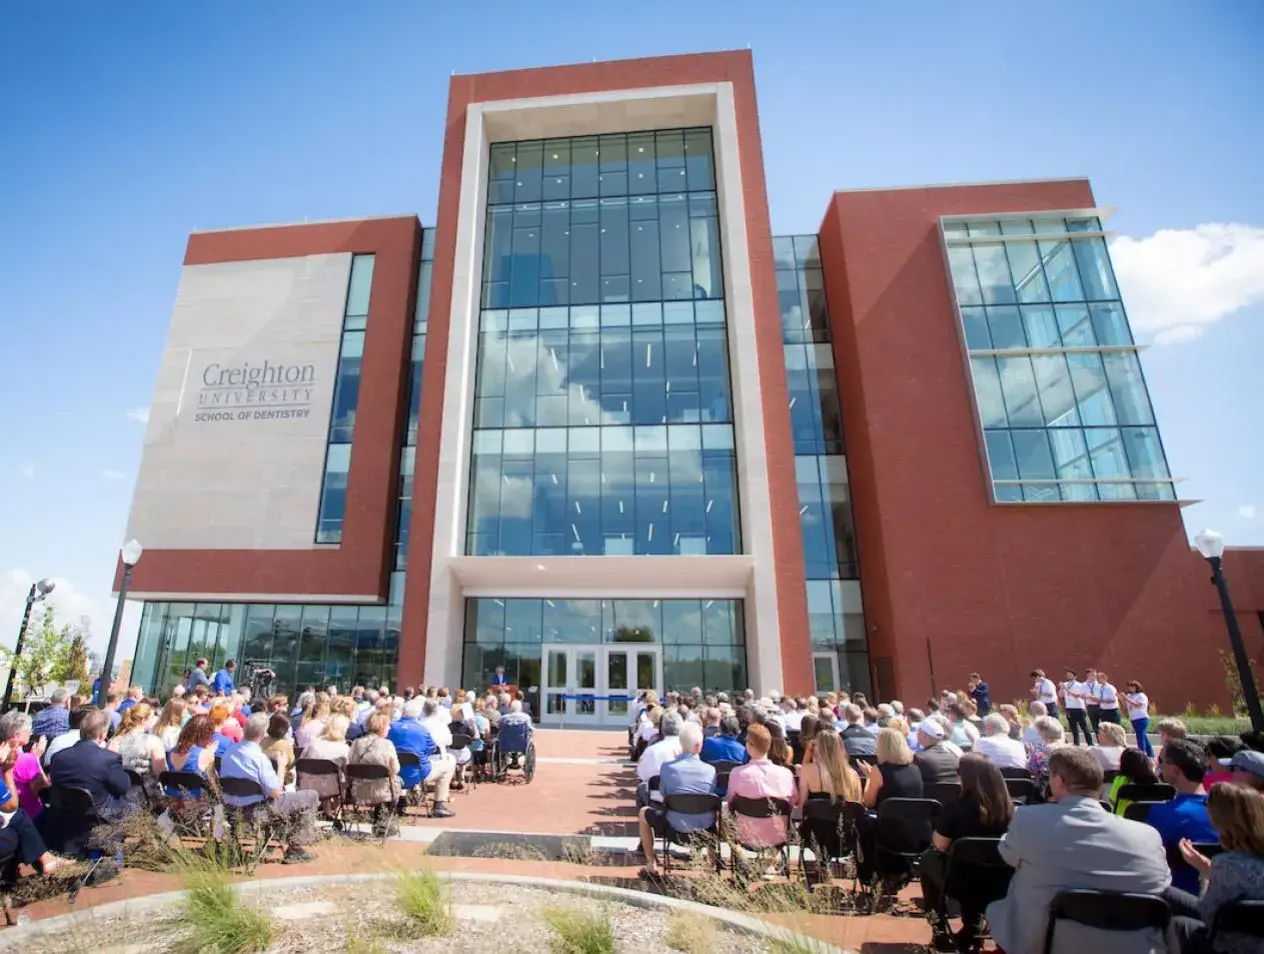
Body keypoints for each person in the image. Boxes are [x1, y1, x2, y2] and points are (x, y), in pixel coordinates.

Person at [986, 747, 1170, 954]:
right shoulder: (1147, 836)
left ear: (1059, 781)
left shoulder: (1026, 818)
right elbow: (1162, 884)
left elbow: (1008, 855)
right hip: (1133, 946)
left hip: (1045, 942)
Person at [920, 753, 1014, 950]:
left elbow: (938, 845)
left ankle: (939, 928)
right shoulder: (1011, 810)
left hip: (962, 882)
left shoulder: (956, 808)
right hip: (1004, 882)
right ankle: (974, 927)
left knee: (929, 859)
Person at [1166, 781, 1264, 954]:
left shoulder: (1226, 864)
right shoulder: (1231, 863)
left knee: (1177, 923)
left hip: (1232, 946)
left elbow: (1209, 917)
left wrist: (1205, 875)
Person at [219, 713, 318, 863]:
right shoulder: (258, 757)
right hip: (257, 811)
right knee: (311, 796)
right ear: (263, 733)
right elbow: (275, 792)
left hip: (231, 810)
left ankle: (275, 839)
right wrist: (281, 766)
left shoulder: (229, 752)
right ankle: (296, 848)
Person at [37, 709, 133, 856]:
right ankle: (115, 856)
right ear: (102, 734)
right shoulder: (109, 759)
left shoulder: (58, 757)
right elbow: (124, 786)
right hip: (95, 820)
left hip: (62, 817)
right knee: (130, 805)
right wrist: (114, 754)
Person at [637, 723, 716, 876]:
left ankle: (650, 864)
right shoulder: (710, 770)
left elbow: (663, 793)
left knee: (643, 813)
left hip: (673, 828)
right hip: (704, 830)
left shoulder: (668, 768)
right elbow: (710, 795)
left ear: (681, 745)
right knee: (714, 812)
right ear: (699, 746)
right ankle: (712, 865)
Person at [1147, 739, 1219, 894]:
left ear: (1176, 771)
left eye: (1161, 761)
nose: (1159, 765)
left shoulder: (1160, 814)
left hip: (1179, 897)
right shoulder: (1230, 811)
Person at [855, 727, 925, 883]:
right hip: (917, 832)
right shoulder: (915, 769)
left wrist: (869, 779)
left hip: (889, 834)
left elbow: (868, 802)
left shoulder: (879, 770)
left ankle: (869, 875)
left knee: (862, 822)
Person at [0, 738, 69, 882]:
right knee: (18, 823)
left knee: (19, 820)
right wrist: (7, 772)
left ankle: (43, 860)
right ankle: (46, 860)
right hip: (35, 816)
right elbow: (11, 806)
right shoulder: (26, 760)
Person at [724, 724, 796, 849]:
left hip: (745, 834)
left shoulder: (737, 773)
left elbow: (730, 802)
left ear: (749, 745)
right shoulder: (786, 774)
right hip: (778, 835)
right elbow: (793, 802)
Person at [796, 729, 861, 858]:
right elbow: (857, 806)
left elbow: (801, 805)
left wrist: (808, 753)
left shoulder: (808, 770)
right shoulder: (853, 775)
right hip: (843, 837)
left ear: (818, 748)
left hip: (815, 834)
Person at [387, 698, 456, 818]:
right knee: (449, 764)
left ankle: (401, 801)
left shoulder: (390, 727)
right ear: (419, 713)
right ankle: (439, 804)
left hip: (393, 773)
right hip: (417, 774)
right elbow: (431, 749)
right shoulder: (422, 730)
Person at [348, 711, 403, 835]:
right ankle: (382, 823)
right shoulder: (387, 744)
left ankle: (381, 822)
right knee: (396, 780)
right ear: (382, 727)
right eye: (388, 725)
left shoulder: (356, 743)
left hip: (358, 791)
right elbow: (395, 769)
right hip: (382, 794)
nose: (389, 728)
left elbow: (350, 763)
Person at [107, 702, 166, 803]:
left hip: (118, 795)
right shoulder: (153, 741)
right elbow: (161, 774)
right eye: (151, 718)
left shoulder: (114, 741)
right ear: (143, 720)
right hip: (145, 797)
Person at [0, 711, 48, 819]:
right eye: (28, 730)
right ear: (17, 735)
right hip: (28, 816)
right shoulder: (27, 759)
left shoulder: (2, 755)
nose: (31, 733)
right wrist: (36, 759)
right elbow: (40, 789)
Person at [299, 714, 351, 803]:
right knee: (339, 778)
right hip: (332, 788)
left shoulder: (313, 744)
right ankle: (336, 811)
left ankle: (330, 810)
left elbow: (301, 762)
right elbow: (349, 771)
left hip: (309, 785)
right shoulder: (343, 748)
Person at [637, 711, 684, 808]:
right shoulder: (688, 749)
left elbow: (642, 775)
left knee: (641, 788)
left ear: (662, 728)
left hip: (658, 802)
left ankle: (644, 820)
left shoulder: (652, 750)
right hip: (685, 801)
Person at [164, 714, 216, 798]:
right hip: (197, 804)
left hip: (174, 802)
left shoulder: (171, 751)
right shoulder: (206, 754)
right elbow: (213, 784)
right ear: (207, 734)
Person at [1109, 747, 1162, 816]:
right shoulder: (1154, 782)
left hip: (1122, 818)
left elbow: (1112, 800)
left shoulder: (1120, 779)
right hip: (1146, 819)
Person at [1027, 715, 1067, 791]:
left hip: (1049, 789)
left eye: (1039, 732)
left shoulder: (1047, 749)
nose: (1038, 734)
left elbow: (1034, 769)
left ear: (1044, 732)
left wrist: (1032, 754)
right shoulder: (1064, 746)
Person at [914, 719, 960, 785]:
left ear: (924, 736)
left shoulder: (919, 758)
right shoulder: (953, 757)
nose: (917, 734)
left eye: (918, 732)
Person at [261, 713, 295, 785]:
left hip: (262, 777)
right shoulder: (286, 745)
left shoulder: (261, 741)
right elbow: (291, 763)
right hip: (278, 778)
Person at [1060, 669, 1091, 747]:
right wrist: (1062, 688)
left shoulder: (1079, 685)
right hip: (1069, 708)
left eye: (1070, 674)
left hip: (1079, 708)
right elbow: (1060, 695)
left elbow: (1077, 695)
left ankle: (1090, 743)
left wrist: (1066, 689)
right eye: (1067, 674)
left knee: (1084, 727)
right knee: (1073, 727)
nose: (1068, 676)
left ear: (1075, 676)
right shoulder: (1065, 684)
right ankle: (1076, 743)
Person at [1124, 681, 1154, 758]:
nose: (1131, 688)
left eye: (1133, 686)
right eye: (1130, 686)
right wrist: (1123, 699)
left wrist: (1126, 699)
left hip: (1142, 718)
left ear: (1137, 687)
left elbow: (1137, 705)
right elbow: (1127, 708)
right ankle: (1151, 754)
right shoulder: (1129, 695)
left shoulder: (1141, 696)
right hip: (1134, 719)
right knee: (1143, 736)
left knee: (1140, 737)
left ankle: (1142, 754)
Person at [1083, 668, 1103, 733]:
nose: (1094, 677)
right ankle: (1099, 741)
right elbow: (1081, 695)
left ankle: (1106, 741)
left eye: (1095, 675)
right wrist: (1086, 697)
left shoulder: (1100, 684)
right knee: (1095, 725)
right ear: (1088, 675)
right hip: (1091, 707)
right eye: (1092, 675)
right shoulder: (1084, 685)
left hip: (1101, 706)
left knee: (1104, 725)